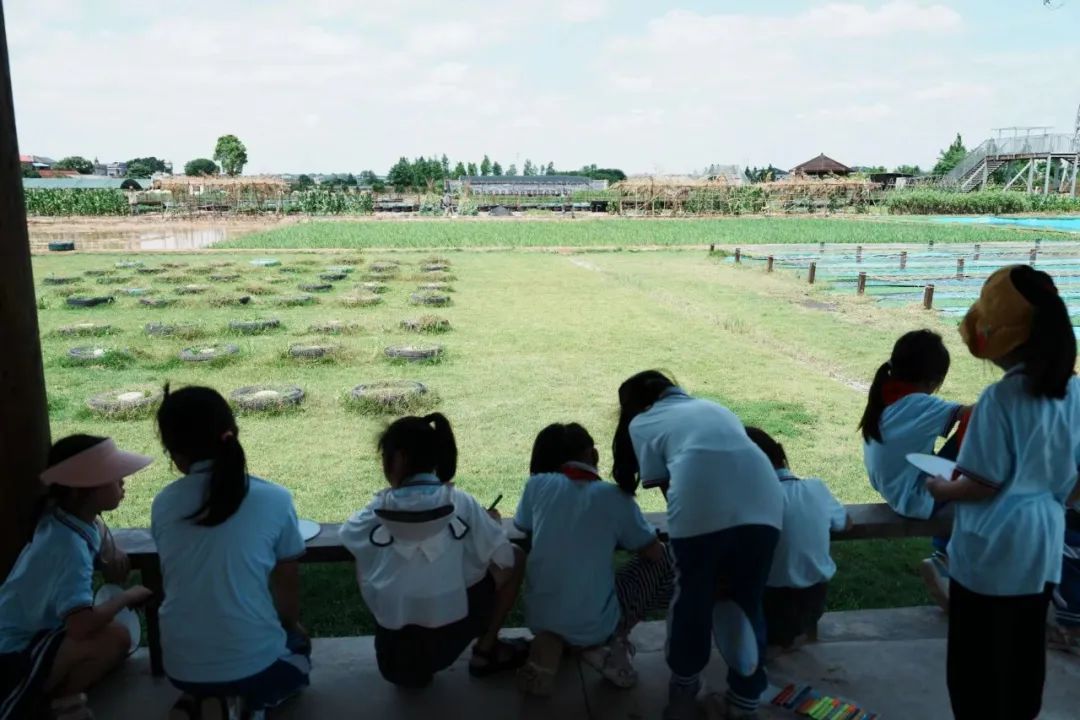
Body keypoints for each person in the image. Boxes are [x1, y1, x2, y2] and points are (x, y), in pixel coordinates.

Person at [927, 265, 1080, 720]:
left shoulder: (1000, 400)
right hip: (1044, 536)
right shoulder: (1072, 392)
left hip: (996, 542)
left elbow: (981, 483)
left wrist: (942, 487)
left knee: (976, 660)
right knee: (1023, 651)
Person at [612, 371, 783, 720]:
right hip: (766, 504)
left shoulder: (643, 421)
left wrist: (705, 552)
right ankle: (745, 702)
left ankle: (684, 693)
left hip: (701, 509)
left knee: (692, 598)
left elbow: (670, 487)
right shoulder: (714, 407)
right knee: (748, 602)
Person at [152, 386, 310, 720]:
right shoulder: (276, 499)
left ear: (175, 455)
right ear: (232, 434)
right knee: (299, 650)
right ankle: (245, 705)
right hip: (254, 664)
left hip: (179, 665)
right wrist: (291, 625)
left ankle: (201, 698)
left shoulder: (163, 504)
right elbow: (287, 588)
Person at [340, 413, 528, 688]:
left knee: (365, 558)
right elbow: (503, 557)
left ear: (400, 459)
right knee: (515, 555)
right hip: (452, 635)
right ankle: (486, 650)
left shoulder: (376, 512)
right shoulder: (462, 503)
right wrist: (489, 526)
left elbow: (349, 535)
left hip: (393, 659)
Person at [514, 422, 674, 695]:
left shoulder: (536, 486)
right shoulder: (614, 497)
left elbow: (522, 525)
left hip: (539, 616)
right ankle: (605, 643)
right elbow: (652, 552)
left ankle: (555, 642)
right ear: (594, 455)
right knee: (668, 558)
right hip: (593, 623)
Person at [0, 435, 153, 720]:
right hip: (14, 654)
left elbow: (93, 522)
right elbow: (81, 626)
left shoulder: (60, 516)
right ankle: (42, 708)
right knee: (116, 639)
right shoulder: (69, 549)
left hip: (24, 635)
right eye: (112, 476)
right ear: (80, 490)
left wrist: (109, 543)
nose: (122, 481)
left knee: (115, 636)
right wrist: (126, 597)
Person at [859, 329, 969, 608]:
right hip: (915, 495)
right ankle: (945, 555)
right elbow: (977, 414)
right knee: (980, 427)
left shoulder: (887, 396)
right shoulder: (919, 404)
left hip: (896, 488)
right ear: (932, 379)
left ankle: (947, 555)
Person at [745, 427, 850, 651]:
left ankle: (767, 644)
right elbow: (844, 523)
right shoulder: (816, 488)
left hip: (769, 601)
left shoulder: (752, 499)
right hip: (814, 599)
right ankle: (790, 639)